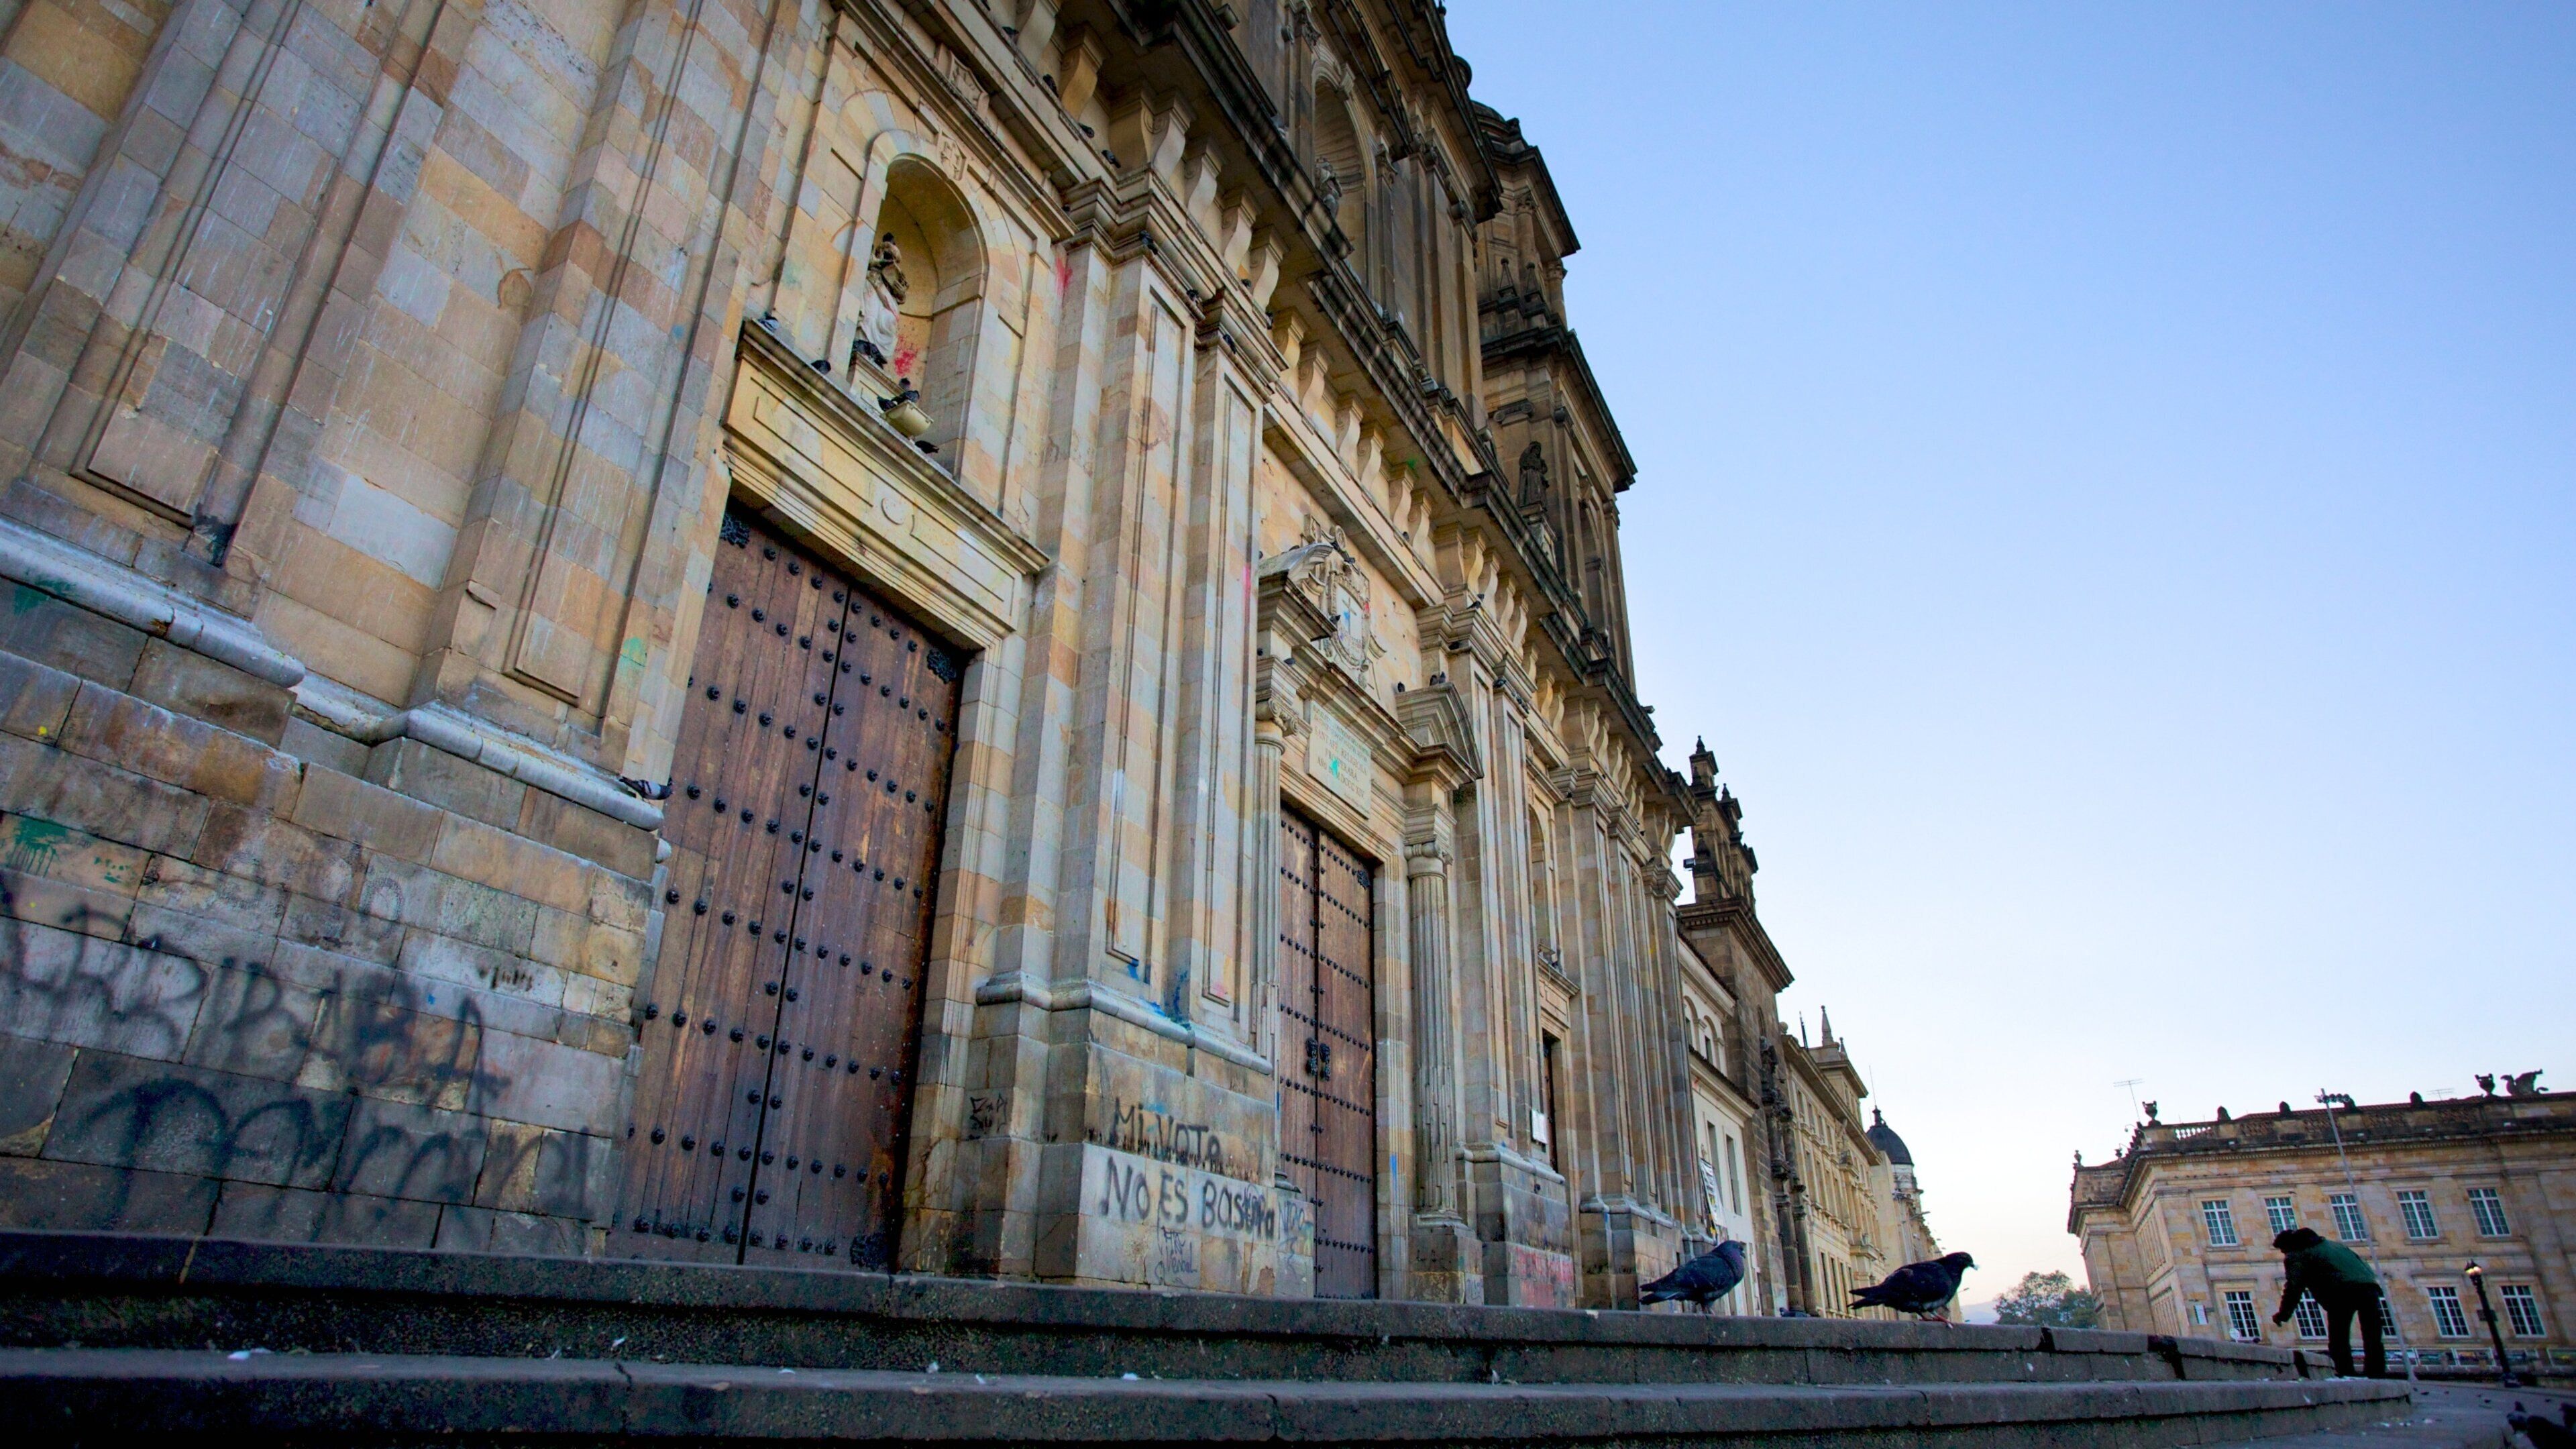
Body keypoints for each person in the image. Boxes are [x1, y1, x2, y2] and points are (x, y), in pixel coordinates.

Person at [2272, 1226, 2385, 1378]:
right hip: (2369, 1287)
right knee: (2373, 1334)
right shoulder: (2334, 1245)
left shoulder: (2298, 1255)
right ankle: (2376, 1372)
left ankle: (2345, 1372)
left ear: (2288, 1246)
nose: (2284, 1254)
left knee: (2339, 1336)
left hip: (2341, 1291)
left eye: (2283, 1250)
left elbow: (2294, 1288)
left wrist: (2283, 1314)